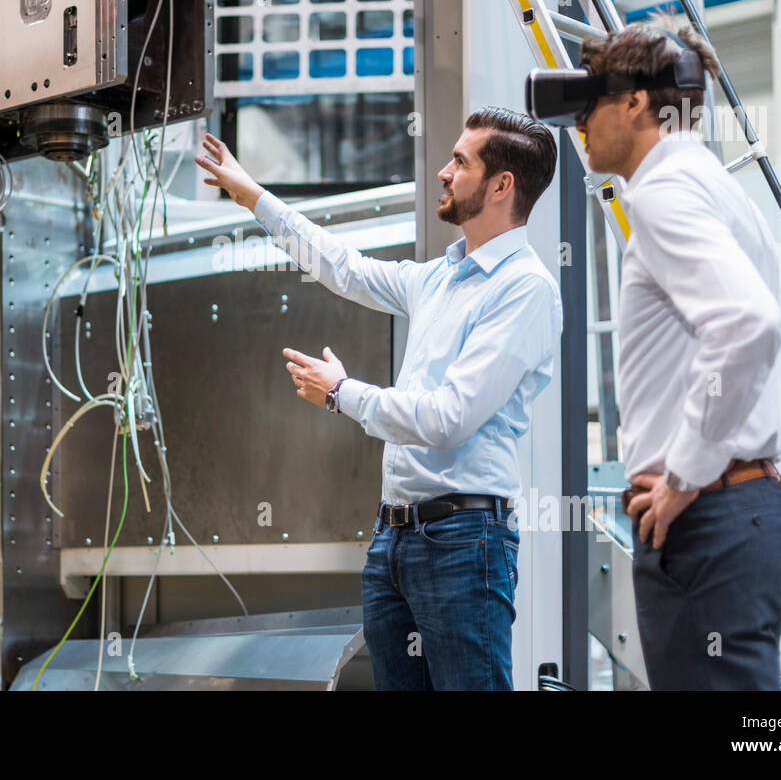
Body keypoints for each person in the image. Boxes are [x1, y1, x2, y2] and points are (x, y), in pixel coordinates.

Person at [194, 108, 562, 690]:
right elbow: (343, 268)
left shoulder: (524, 289)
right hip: (395, 537)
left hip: (465, 543)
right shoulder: (441, 278)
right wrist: (253, 197)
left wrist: (343, 393)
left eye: (460, 161)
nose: (443, 171)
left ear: (500, 185)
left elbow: (449, 418)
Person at [570, 22, 781, 689]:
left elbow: (748, 323)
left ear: (637, 102)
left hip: (702, 525)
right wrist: (766, 472)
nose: (581, 122)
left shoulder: (665, 194)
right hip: (738, 515)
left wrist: (688, 475)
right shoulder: (727, 197)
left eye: (592, 103)